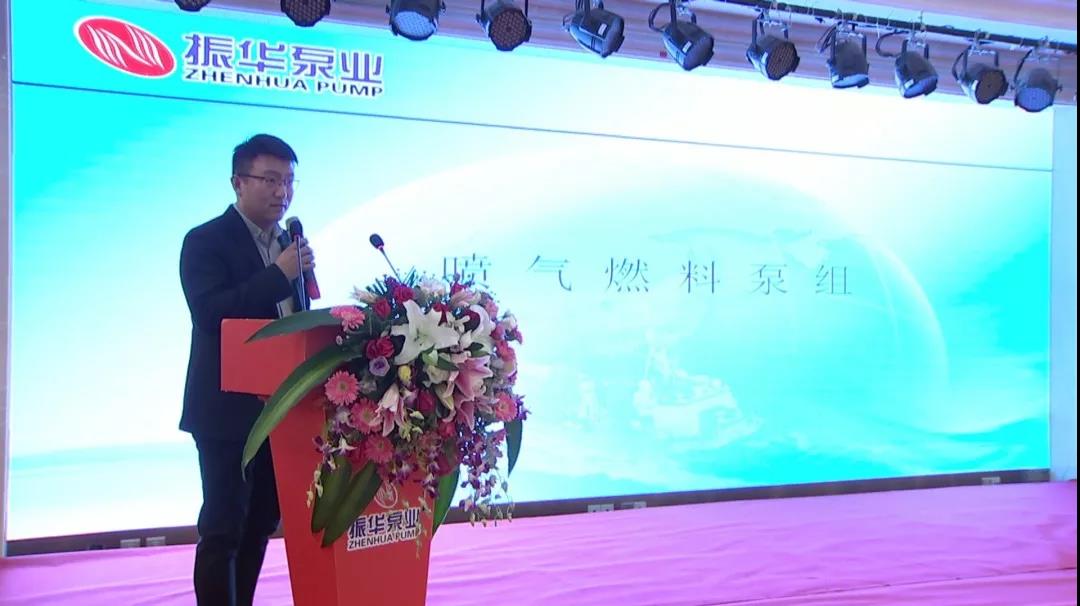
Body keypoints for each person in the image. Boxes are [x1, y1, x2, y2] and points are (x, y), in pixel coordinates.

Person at [179, 134, 314, 606]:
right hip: (225, 412)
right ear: (238, 182)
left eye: (289, 181)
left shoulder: (288, 244)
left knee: (259, 524)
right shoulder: (205, 241)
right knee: (223, 529)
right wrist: (279, 274)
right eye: (270, 180)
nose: (282, 192)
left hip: (279, 410)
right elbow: (211, 314)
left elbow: (293, 320)